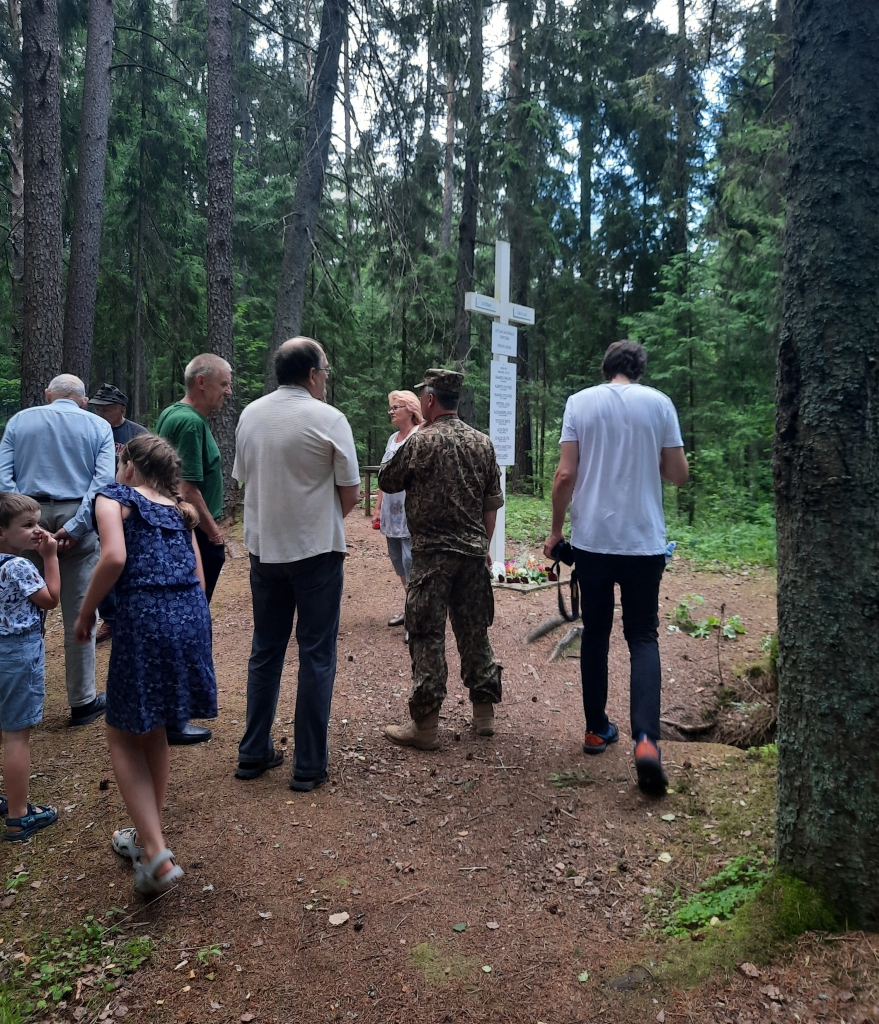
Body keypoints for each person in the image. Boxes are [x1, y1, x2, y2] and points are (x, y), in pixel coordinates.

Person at [543, 340, 689, 797]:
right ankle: (646, 742)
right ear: (639, 370)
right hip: (643, 542)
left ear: (606, 367)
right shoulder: (660, 403)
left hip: (593, 541)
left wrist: (554, 532)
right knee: (643, 636)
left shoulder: (580, 403)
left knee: (597, 631)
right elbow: (678, 473)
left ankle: (595, 729)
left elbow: (565, 475)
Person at [73, 435, 217, 895]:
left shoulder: (112, 497)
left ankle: (155, 855)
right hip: (190, 615)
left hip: (146, 616)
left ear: (128, 464)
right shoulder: (179, 508)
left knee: (121, 732)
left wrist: (84, 614)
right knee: (152, 726)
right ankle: (145, 837)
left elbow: (114, 556)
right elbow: (197, 572)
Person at [232, 337, 360, 791]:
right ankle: (308, 764)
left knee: (265, 649)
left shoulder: (250, 414)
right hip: (316, 553)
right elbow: (350, 494)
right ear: (312, 374)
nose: (326, 378)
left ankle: (253, 751)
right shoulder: (329, 418)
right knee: (316, 653)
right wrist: (315, 519)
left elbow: (245, 479)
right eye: (324, 370)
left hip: (264, 550)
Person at [379, 368, 504, 750]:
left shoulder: (419, 443)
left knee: (426, 635)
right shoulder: (482, 443)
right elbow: (491, 503)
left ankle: (427, 725)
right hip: (470, 554)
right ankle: (484, 716)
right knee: (474, 633)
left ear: (430, 400)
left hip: (431, 556)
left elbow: (387, 480)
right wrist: (482, 546)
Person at [0, 374, 114, 726]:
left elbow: (4, 478)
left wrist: (25, 523)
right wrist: (78, 525)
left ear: (48, 394)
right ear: (82, 399)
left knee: (21, 604)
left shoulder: (20, 421)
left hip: (24, 518)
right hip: (75, 515)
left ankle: (15, 691)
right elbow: (103, 482)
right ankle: (81, 702)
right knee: (80, 610)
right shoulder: (98, 425)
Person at [155, 353, 231, 745]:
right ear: (201, 382)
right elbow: (186, 486)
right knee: (190, 624)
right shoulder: (188, 422)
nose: (227, 392)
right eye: (223, 384)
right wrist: (213, 534)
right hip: (193, 532)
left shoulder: (174, 414)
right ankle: (175, 716)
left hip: (181, 529)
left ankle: (171, 710)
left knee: (181, 620)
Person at [0, 494, 61, 841]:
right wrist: (49, 557)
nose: (37, 530)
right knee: (16, 735)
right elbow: (50, 599)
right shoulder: (19, 566)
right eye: (28, 526)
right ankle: (18, 816)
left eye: (37, 523)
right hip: (17, 653)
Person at [88, 383, 147, 644]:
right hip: (98, 505)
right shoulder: (88, 430)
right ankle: (111, 619)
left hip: (130, 505)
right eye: (97, 408)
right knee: (103, 561)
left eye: (107, 409)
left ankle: (137, 613)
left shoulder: (136, 433)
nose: (100, 413)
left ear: (121, 409)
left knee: (132, 559)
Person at [371, 391, 423, 636]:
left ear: (411, 409)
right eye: (390, 408)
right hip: (392, 512)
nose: (391, 411)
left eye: (396, 407)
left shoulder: (419, 436)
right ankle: (410, 607)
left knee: (411, 562)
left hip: (411, 513)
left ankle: (418, 617)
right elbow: (384, 476)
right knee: (398, 563)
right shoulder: (393, 438)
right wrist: (378, 507)